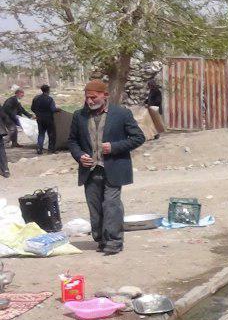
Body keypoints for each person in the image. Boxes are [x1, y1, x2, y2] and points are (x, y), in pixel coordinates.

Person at [67, 80, 145, 255]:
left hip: (114, 168)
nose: (89, 101)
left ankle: (114, 241)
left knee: (111, 204)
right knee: (95, 208)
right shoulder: (79, 116)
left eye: (93, 97)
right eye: (87, 98)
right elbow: (72, 141)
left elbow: (138, 137)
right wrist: (80, 156)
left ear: (105, 96)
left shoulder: (121, 114)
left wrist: (114, 147)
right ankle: (101, 239)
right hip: (90, 171)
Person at [32, 85, 58, 155]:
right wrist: (58, 110)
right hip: (49, 119)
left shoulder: (36, 98)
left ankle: (39, 149)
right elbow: (53, 109)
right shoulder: (50, 99)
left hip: (39, 119)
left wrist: (38, 113)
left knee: (41, 134)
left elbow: (32, 108)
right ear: (48, 90)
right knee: (51, 134)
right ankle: (51, 149)